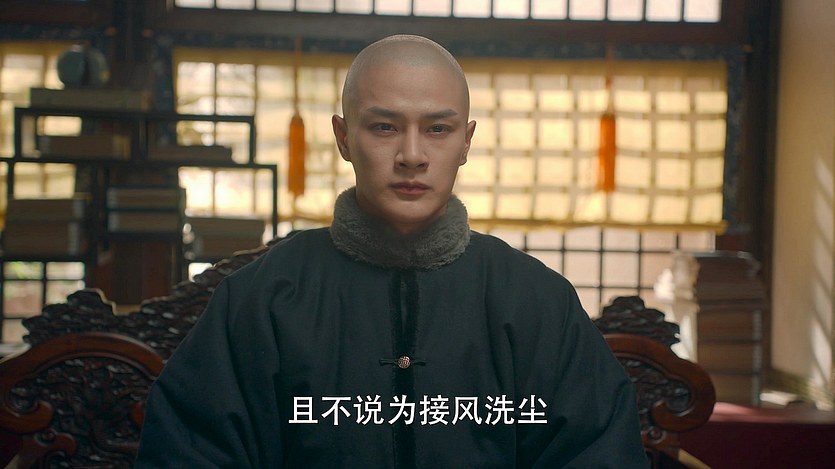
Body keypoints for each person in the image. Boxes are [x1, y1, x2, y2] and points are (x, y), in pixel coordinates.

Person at [135, 35, 647, 468]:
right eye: (384, 127)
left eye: (438, 129)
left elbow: (599, 451)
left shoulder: (535, 300)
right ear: (343, 137)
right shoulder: (262, 297)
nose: (412, 155)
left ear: (466, 142)